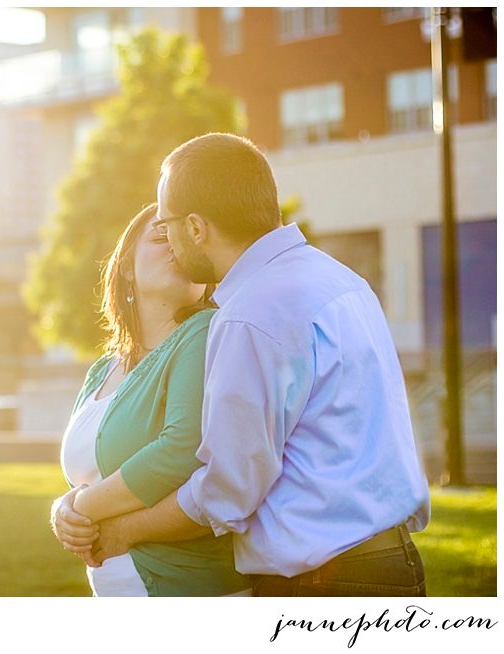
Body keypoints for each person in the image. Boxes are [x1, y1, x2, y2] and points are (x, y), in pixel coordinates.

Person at [63, 133, 431, 597]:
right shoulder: (341, 280)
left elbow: (227, 492)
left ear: (196, 228)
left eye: (169, 226)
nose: (171, 245)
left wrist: (124, 531)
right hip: (393, 562)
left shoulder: (249, 316)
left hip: (325, 585)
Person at [51, 203, 251, 596]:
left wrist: (81, 509)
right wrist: (61, 509)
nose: (175, 243)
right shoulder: (103, 370)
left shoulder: (202, 332)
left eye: (186, 235)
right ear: (127, 266)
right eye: (161, 235)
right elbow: (88, 477)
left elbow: (183, 448)